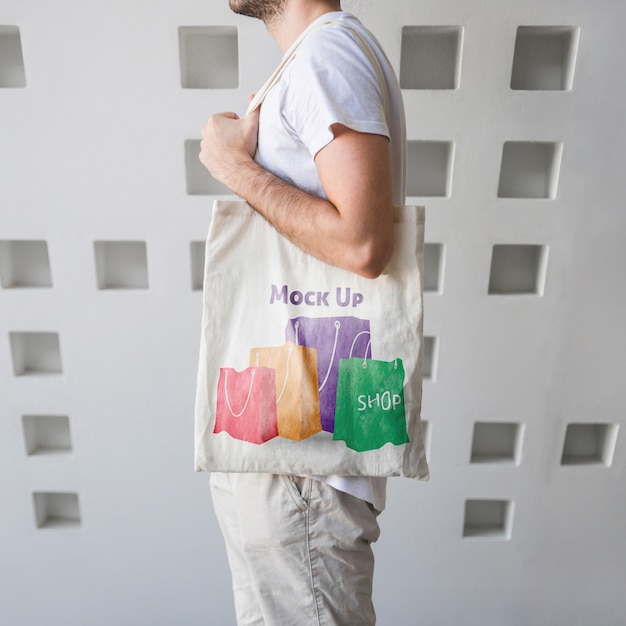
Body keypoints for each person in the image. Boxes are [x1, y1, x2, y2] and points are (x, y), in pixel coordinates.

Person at [199, 1, 407, 623]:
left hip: (303, 455)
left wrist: (237, 169)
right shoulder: (312, 58)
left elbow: (364, 244)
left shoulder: (327, 53)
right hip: (285, 442)